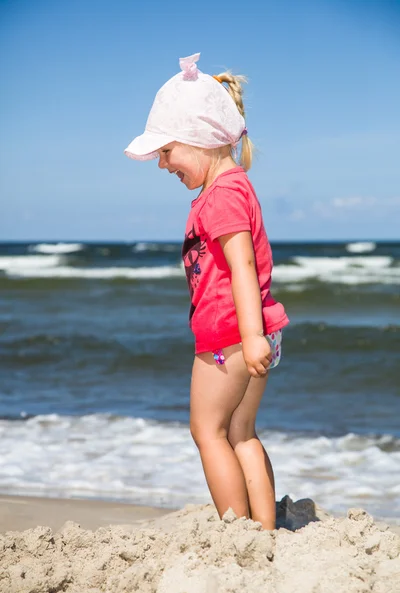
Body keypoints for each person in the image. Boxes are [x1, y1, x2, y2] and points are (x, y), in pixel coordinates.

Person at [124, 53, 289, 530]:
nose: (161, 164)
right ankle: (263, 529)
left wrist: (250, 334)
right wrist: (258, 335)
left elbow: (241, 268)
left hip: (231, 336)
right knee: (241, 432)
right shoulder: (233, 187)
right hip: (255, 332)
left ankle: (236, 531)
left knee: (208, 431)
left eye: (166, 151)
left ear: (199, 138)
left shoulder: (220, 197)